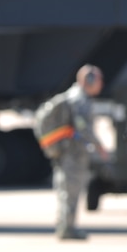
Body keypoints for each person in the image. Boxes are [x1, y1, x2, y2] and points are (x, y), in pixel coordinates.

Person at [34, 64, 105, 240]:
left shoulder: (75, 98)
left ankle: (66, 226)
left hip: (68, 154)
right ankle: (67, 229)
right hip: (73, 155)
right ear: (87, 80)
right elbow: (83, 128)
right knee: (70, 191)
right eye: (98, 79)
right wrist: (99, 146)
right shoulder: (79, 100)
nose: (101, 83)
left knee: (67, 190)